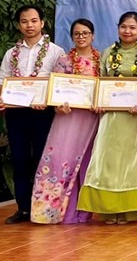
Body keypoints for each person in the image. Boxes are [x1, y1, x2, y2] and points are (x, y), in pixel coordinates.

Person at [0, 5, 65, 224]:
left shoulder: (56, 51)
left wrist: (47, 100)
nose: (29, 25)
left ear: (42, 23)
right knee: (20, 159)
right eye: (24, 21)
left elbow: (60, 83)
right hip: (16, 113)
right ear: (18, 25)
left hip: (44, 113)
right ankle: (23, 208)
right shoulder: (11, 53)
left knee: (43, 160)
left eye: (34, 21)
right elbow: (2, 81)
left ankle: (44, 209)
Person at [78, 11, 137, 224]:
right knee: (107, 160)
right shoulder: (108, 53)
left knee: (132, 161)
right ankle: (108, 210)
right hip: (111, 115)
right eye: (123, 27)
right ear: (118, 28)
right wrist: (100, 101)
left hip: (136, 116)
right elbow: (101, 81)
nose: (127, 31)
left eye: (132, 27)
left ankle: (129, 210)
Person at [30, 19, 100, 224]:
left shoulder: (101, 60)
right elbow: (56, 90)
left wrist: (101, 103)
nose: (81, 37)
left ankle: (83, 212)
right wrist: (58, 105)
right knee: (60, 159)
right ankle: (52, 211)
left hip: (91, 119)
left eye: (85, 33)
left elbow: (105, 88)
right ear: (72, 37)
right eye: (77, 33)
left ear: (93, 36)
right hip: (67, 118)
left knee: (86, 162)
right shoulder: (64, 60)